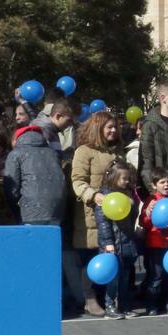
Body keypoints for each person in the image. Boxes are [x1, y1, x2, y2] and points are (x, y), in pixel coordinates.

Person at [69, 111, 122, 318]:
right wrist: (94, 195)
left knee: (110, 256)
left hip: (115, 213)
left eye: (115, 127)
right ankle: (89, 298)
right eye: (109, 127)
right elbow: (77, 181)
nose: (113, 130)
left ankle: (109, 298)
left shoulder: (118, 152)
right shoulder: (84, 151)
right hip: (91, 213)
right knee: (90, 259)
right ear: (97, 128)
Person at [94, 162, 142, 319]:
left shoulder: (128, 194)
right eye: (124, 179)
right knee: (113, 277)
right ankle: (110, 305)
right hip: (112, 243)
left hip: (127, 240)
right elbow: (103, 223)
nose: (127, 181)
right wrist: (108, 242)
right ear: (114, 178)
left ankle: (125, 305)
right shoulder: (105, 197)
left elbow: (132, 215)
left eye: (129, 178)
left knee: (125, 276)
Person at [138, 168, 168, 313]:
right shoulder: (151, 201)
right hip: (155, 244)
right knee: (155, 276)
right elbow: (144, 223)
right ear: (153, 185)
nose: (166, 185)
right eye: (162, 182)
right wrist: (147, 213)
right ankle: (152, 304)